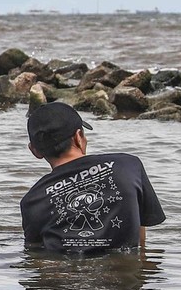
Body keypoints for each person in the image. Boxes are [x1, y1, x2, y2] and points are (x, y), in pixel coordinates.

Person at [21, 102, 165, 254]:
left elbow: (36, 255)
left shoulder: (31, 201)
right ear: (78, 137)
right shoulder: (129, 165)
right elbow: (140, 241)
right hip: (124, 273)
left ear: (35, 151)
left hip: (66, 274)